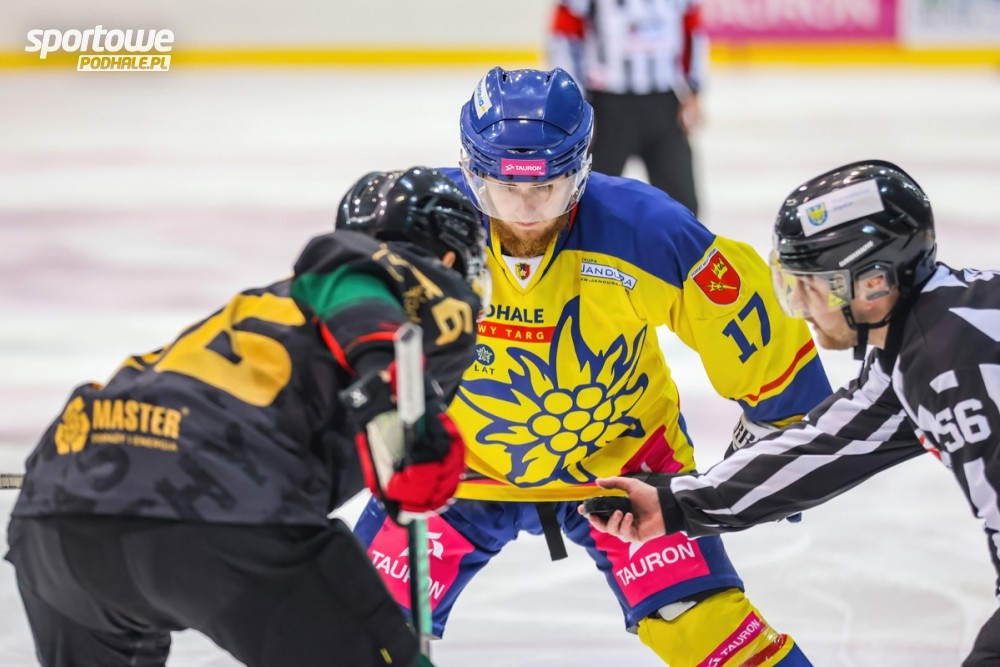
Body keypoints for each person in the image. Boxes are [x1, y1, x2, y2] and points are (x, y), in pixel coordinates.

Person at [353, 67, 833, 666]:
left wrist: (786, 430)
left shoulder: (645, 229)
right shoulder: (418, 227)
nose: (525, 210)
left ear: (581, 170)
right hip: (453, 471)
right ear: (471, 172)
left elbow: (745, 314)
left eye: (547, 187)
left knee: (703, 627)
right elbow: (339, 327)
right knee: (350, 632)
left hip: (625, 471)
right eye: (503, 188)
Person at [4, 167, 489, 667]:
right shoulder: (402, 280)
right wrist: (395, 402)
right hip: (216, 503)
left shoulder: (269, 311)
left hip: (54, 515)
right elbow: (351, 275)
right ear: (450, 257)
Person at [586, 159, 1000, 665]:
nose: (800, 307)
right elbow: (825, 446)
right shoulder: (922, 340)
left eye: (812, 286)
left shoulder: (951, 373)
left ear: (873, 284)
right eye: (790, 284)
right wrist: (673, 503)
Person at [548, 0, 707, 215]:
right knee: (590, 203)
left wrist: (694, 90)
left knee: (683, 204)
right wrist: (575, 103)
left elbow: (691, 27)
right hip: (608, 107)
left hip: (664, 103)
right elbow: (564, 34)